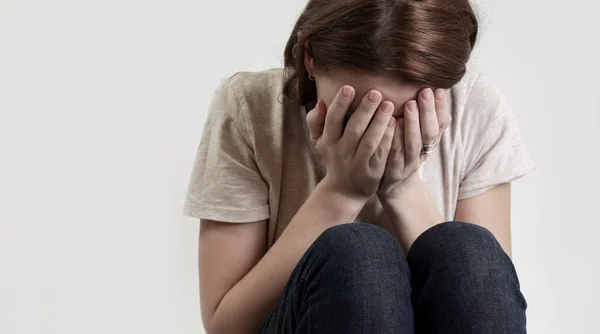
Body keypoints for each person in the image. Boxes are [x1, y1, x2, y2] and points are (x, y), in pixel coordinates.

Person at [184, 0, 533, 333]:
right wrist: (340, 192)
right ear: (310, 58)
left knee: (468, 250)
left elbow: (479, 300)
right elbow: (226, 325)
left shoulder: (475, 109)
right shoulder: (252, 109)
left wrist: (401, 185)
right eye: (356, 114)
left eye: (400, 116)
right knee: (358, 254)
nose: (374, 134)